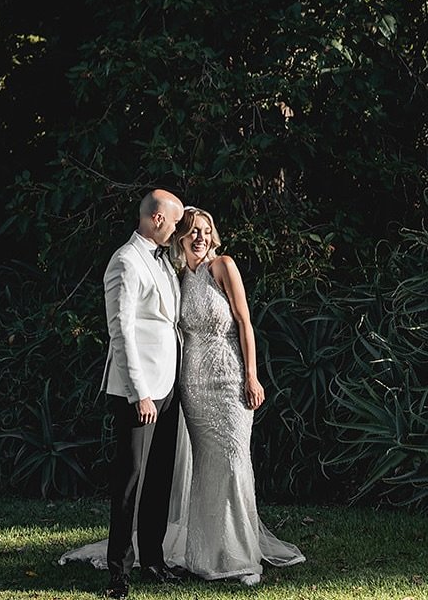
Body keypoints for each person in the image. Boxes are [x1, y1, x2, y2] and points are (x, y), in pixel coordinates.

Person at [170, 205, 305, 584]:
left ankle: (242, 556)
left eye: (205, 229)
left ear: (213, 234)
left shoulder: (223, 266)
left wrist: (252, 376)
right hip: (192, 384)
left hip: (229, 378)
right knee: (206, 468)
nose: (199, 236)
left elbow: (245, 322)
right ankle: (205, 555)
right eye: (192, 230)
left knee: (233, 460)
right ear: (181, 236)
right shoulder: (181, 276)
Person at [69, 188, 184, 600]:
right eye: (173, 221)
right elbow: (121, 332)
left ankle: (154, 559)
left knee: (158, 479)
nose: (176, 228)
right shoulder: (125, 261)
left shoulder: (164, 261)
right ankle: (119, 571)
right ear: (156, 219)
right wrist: (140, 393)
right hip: (141, 392)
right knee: (130, 479)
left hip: (168, 387)